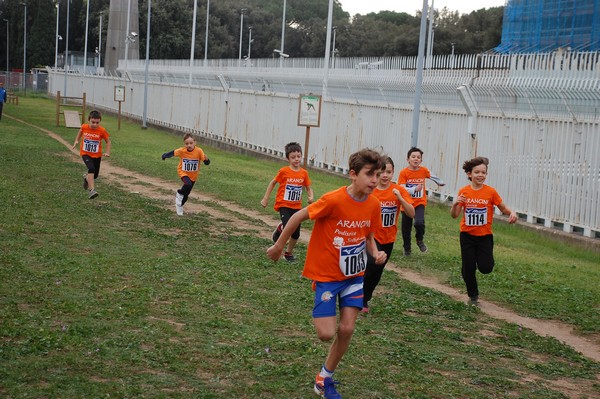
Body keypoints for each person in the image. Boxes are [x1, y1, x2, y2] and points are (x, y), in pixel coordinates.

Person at [267, 148, 387, 399]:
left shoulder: (374, 204)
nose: (375, 180)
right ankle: (324, 308)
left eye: (378, 174)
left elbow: (368, 235)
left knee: (347, 329)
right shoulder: (333, 200)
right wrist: (279, 246)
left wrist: (375, 253)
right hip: (327, 277)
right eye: (370, 174)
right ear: (353, 175)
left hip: (354, 277)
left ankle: (324, 378)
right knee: (326, 334)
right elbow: (299, 216)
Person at [450, 156, 517, 305]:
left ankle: (468, 269)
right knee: (469, 268)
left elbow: (503, 208)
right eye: (477, 172)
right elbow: (455, 216)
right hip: (467, 235)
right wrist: (455, 204)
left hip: (485, 237)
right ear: (469, 174)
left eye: (483, 172)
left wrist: (512, 213)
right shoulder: (464, 191)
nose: (480, 175)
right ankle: (473, 296)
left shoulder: (491, 192)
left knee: (486, 268)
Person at [362, 157, 417, 313]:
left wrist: (399, 198)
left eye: (389, 172)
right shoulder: (370, 190)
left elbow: (411, 213)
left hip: (389, 238)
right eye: (382, 172)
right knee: (372, 263)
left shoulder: (399, 190)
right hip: (371, 236)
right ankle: (358, 297)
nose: (385, 175)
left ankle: (365, 298)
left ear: (393, 172)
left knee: (377, 270)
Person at [261, 142, 314, 262]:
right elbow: (273, 183)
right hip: (283, 205)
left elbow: (308, 188)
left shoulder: (304, 173)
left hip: (297, 206)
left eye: (298, 156)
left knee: (296, 234)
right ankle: (280, 231)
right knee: (287, 227)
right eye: (293, 157)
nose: (296, 159)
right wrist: (265, 198)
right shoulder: (284, 171)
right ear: (288, 158)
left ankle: (288, 253)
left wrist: (311, 197)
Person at [398, 147, 445, 256]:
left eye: (418, 157)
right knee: (406, 228)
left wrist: (440, 182)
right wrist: (414, 189)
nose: (416, 159)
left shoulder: (423, 170)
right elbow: (401, 188)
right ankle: (407, 248)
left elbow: (432, 175)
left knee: (419, 223)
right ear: (408, 159)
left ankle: (419, 240)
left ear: (421, 161)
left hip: (419, 202)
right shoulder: (404, 173)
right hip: (407, 203)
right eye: (413, 157)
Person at [161, 133, 210, 216]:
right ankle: (179, 193)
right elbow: (173, 153)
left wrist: (207, 160)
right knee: (187, 184)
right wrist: (165, 155)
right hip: (183, 172)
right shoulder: (182, 150)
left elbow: (206, 162)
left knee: (186, 194)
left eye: (191, 143)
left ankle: (179, 205)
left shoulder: (199, 151)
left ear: (195, 142)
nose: (189, 145)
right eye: (187, 144)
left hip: (193, 175)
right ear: (184, 144)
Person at [71, 110, 111, 199]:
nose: (95, 125)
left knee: (95, 175)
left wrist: (107, 152)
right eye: (93, 122)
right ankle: (92, 190)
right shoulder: (84, 127)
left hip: (97, 155)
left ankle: (86, 178)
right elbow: (80, 131)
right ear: (89, 120)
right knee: (91, 168)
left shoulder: (102, 130)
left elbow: (108, 141)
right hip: (85, 153)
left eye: (97, 123)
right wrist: (76, 140)